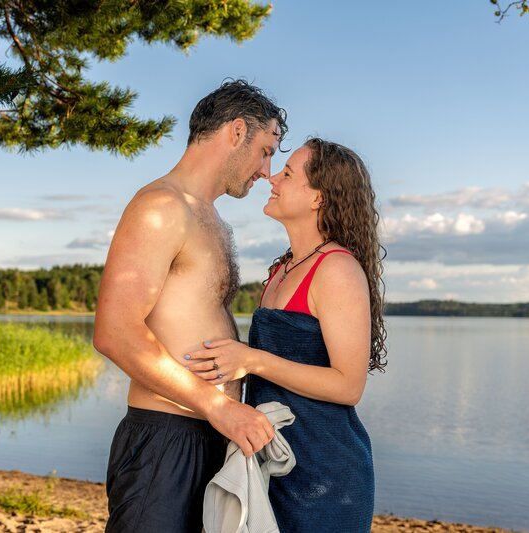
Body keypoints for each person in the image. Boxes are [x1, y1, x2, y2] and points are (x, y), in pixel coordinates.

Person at [92, 79, 288, 533]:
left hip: (211, 436)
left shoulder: (210, 216)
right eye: (265, 150)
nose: (266, 170)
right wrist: (217, 406)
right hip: (166, 439)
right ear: (236, 132)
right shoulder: (161, 206)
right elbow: (114, 331)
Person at [185, 138, 387, 532]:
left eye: (288, 174)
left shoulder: (337, 270)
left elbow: (349, 387)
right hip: (274, 463)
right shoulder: (282, 269)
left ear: (318, 198)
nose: (271, 177)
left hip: (325, 474)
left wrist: (251, 359)